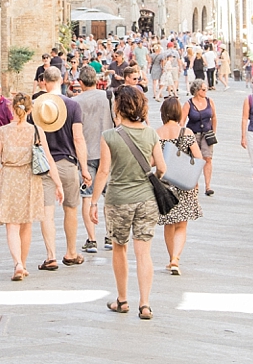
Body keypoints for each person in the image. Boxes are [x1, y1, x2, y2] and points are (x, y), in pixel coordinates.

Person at [90, 87, 167, 321]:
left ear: (118, 108)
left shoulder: (110, 136)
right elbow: (162, 168)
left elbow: (103, 172)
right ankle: (145, 304)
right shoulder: (151, 134)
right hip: (146, 200)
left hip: (118, 200)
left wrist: (93, 201)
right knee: (143, 252)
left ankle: (122, 300)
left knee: (119, 248)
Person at [0, 93, 64, 280]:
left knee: (12, 225)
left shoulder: (2, 131)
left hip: (9, 177)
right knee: (27, 224)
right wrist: (58, 184)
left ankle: (18, 264)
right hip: (30, 178)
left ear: (11, 108)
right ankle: (22, 263)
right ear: (31, 109)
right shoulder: (37, 131)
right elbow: (48, 159)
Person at [31, 67, 92, 270]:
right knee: (71, 209)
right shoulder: (73, 106)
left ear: (44, 82)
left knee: (47, 212)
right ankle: (71, 252)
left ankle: (51, 256)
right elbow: (78, 138)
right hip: (67, 163)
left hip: (45, 165)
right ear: (61, 81)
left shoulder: (37, 107)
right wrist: (84, 167)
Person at [155, 98, 203, 275]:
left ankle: (171, 259)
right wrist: (195, 178)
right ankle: (176, 259)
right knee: (182, 225)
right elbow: (198, 158)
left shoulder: (157, 133)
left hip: (165, 183)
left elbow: (154, 160)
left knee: (169, 224)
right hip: (185, 183)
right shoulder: (187, 132)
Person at [73, 66, 115, 253]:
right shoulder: (108, 97)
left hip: (86, 153)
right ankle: (110, 235)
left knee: (87, 196)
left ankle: (91, 239)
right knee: (109, 196)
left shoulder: (75, 102)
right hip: (109, 151)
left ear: (80, 82)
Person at [180, 79, 218, 196]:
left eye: (206, 89)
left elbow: (214, 117)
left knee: (208, 158)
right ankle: (195, 184)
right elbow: (182, 121)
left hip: (207, 134)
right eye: (203, 89)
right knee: (195, 160)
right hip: (193, 134)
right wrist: (183, 134)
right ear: (197, 91)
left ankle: (208, 186)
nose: (206, 91)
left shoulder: (209, 101)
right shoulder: (188, 104)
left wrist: (213, 131)